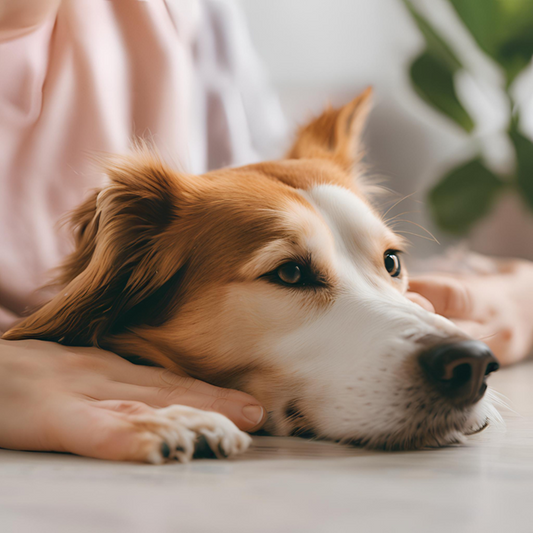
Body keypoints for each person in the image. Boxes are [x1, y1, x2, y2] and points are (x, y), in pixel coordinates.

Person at [1, 0, 532, 461]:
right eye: (291, 272)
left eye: (391, 262)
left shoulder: (188, 12)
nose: (466, 358)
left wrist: (517, 295)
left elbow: (273, 203)